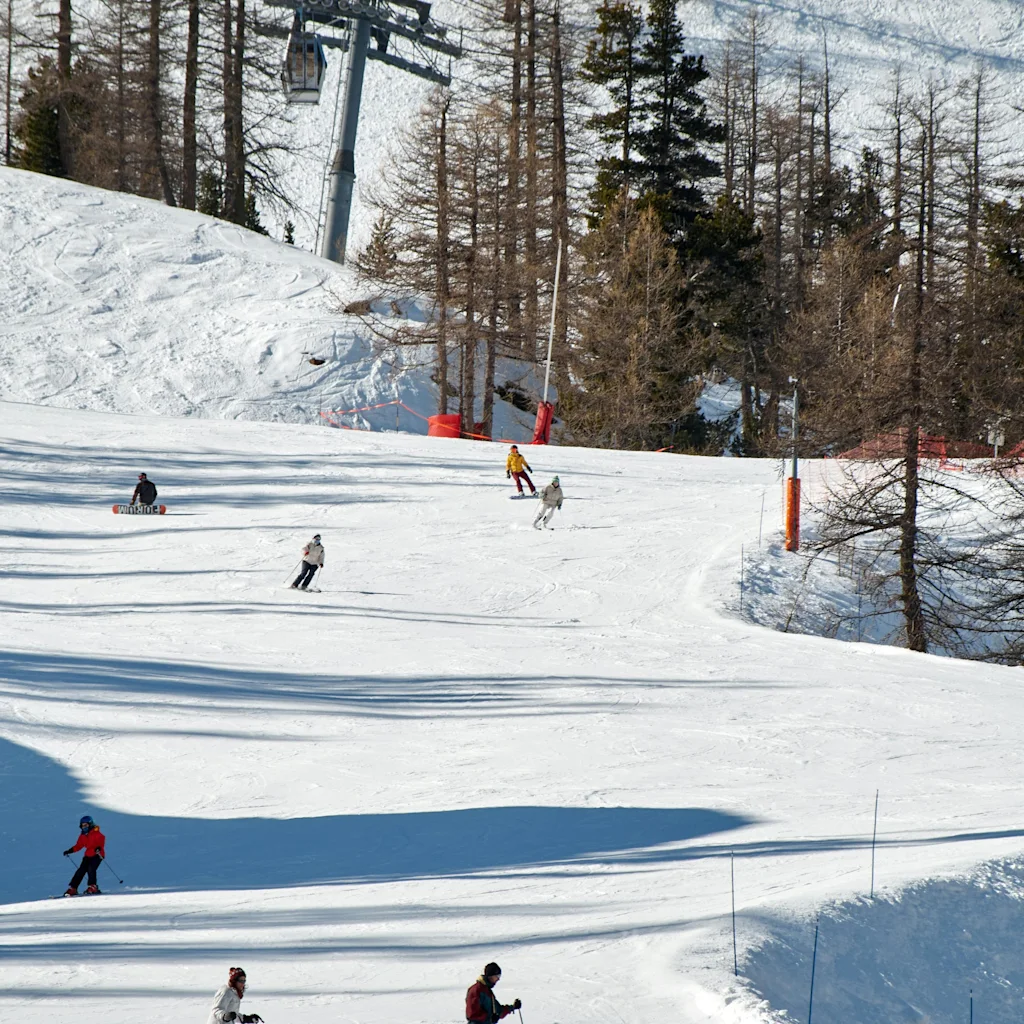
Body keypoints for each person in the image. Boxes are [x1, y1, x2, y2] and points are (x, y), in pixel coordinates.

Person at [63, 815, 106, 896]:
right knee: (81, 870)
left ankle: (93, 886)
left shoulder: (96, 833)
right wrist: (70, 851)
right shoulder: (82, 835)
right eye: (82, 825)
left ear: (90, 824)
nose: (84, 827)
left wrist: (98, 848)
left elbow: (102, 840)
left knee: (91, 868)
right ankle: (73, 888)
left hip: (97, 854)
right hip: (88, 855)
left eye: (86, 825)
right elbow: (79, 845)